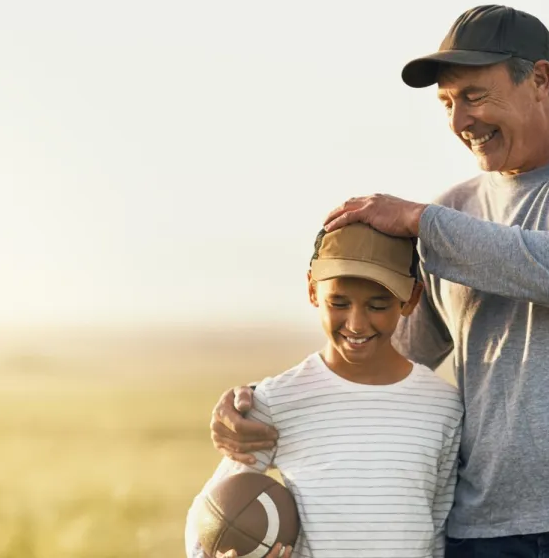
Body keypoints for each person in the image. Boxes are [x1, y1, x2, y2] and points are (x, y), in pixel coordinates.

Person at [209, 5, 549, 557]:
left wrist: (420, 221)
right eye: (446, 103)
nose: (459, 121)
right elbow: (378, 354)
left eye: (474, 96)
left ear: (539, 79)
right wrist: (257, 408)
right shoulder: (455, 212)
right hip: (484, 534)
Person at [185, 223, 463, 558]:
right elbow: (211, 513)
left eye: (377, 305)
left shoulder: (443, 407)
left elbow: (437, 531)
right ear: (313, 290)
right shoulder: (276, 401)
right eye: (339, 302)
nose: (357, 324)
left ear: (411, 298)